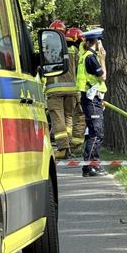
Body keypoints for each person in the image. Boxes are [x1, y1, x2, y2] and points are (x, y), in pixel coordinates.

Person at [45, 20, 77, 159]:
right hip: (72, 90)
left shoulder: (49, 48)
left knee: (58, 119)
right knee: (68, 117)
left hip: (55, 90)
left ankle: (63, 148)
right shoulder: (73, 49)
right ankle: (68, 146)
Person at [77, 34, 108, 177]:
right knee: (96, 133)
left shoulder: (86, 56)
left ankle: (93, 165)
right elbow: (103, 76)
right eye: (99, 42)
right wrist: (103, 58)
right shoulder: (90, 57)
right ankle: (90, 166)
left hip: (93, 98)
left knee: (95, 132)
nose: (101, 45)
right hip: (91, 99)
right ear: (95, 43)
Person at [66, 28, 87, 153]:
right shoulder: (78, 54)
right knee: (79, 118)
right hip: (77, 90)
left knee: (67, 117)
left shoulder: (61, 51)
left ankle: (66, 144)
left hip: (63, 91)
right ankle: (75, 146)